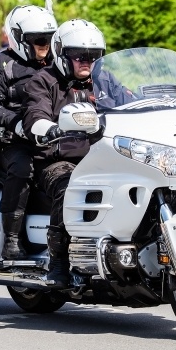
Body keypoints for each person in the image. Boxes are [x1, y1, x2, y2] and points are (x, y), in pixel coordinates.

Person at [21, 19, 108, 287]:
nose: (87, 61)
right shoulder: (43, 81)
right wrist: (45, 127)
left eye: (93, 56)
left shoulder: (104, 81)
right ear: (61, 53)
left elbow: (129, 101)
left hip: (101, 157)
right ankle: (59, 262)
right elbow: (34, 114)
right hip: (57, 161)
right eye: (79, 55)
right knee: (69, 185)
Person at [0, 5, 57, 260]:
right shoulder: (2, 64)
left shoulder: (59, 63)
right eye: (40, 39)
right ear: (21, 39)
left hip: (54, 136)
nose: (46, 44)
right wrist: (16, 123)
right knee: (24, 167)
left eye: (50, 38)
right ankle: (12, 238)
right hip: (13, 141)